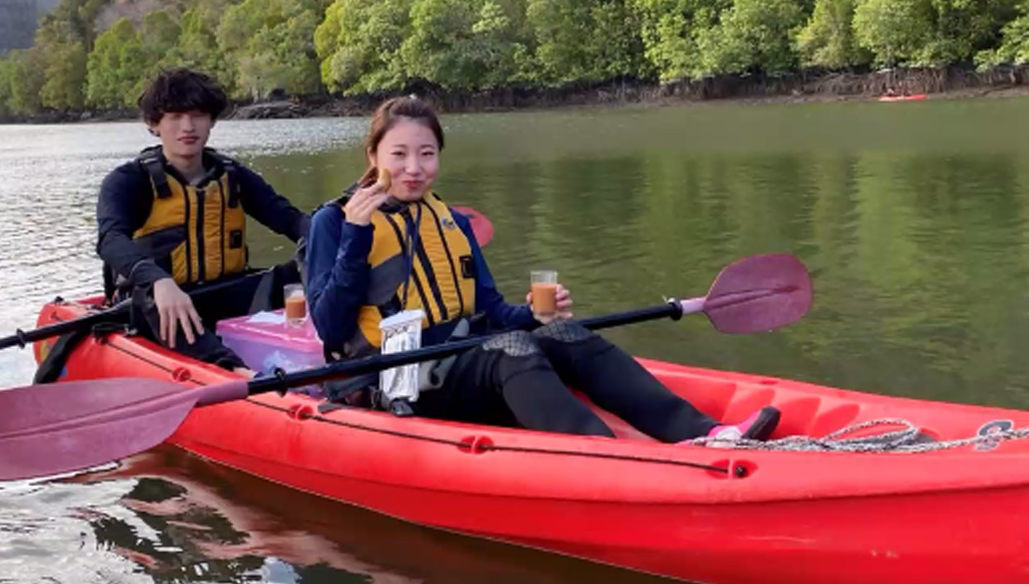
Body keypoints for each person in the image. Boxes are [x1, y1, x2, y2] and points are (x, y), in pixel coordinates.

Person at [303, 96, 780, 443]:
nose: (414, 168)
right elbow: (330, 327)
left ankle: (708, 434)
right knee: (513, 353)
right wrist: (356, 236)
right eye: (399, 155)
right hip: (396, 378)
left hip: (461, 356)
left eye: (427, 154)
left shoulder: (448, 218)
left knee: (568, 335)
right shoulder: (336, 221)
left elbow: (489, 309)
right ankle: (609, 459)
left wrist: (532, 314)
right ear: (374, 157)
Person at [96, 67, 311, 371]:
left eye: (198, 115)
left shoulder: (233, 176)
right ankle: (237, 372)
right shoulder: (128, 181)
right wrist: (157, 279)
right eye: (175, 116)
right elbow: (110, 240)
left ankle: (343, 350)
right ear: (154, 124)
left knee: (299, 270)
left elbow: (290, 221)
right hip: (162, 301)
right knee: (154, 302)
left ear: (211, 121)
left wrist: (335, 237)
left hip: (225, 293)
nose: (188, 126)